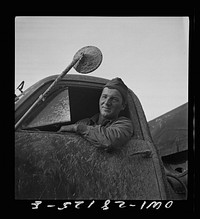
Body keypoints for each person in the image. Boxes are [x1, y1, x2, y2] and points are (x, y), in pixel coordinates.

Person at [58, 77, 133, 150]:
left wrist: (77, 128)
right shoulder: (85, 122)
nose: (107, 103)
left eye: (114, 99)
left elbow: (109, 141)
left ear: (123, 106)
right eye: (104, 97)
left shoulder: (125, 125)